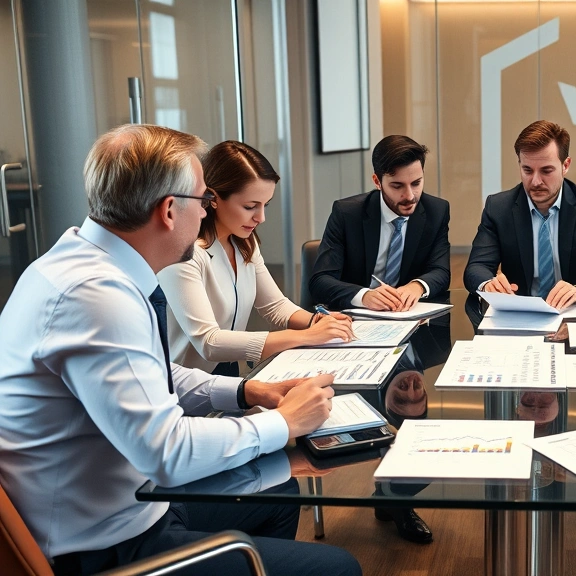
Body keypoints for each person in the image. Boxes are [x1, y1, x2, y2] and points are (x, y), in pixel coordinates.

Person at [0, 124, 360, 575]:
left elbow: (156, 373)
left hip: (135, 503)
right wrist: (282, 422)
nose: (209, 209)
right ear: (170, 210)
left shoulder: (87, 263)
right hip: (105, 546)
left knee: (280, 494)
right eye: (206, 198)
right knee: (338, 568)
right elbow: (167, 453)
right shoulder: (96, 298)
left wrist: (249, 393)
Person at [158, 141, 354, 376]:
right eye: (251, 206)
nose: (261, 218)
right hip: (181, 384)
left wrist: (317, 322)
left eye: (265, 205)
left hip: (225, 368)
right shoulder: (184, 254)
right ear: (213, 198)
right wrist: (304, 336)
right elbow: (208, 343)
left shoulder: (244, 242)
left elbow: (275, 306)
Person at [463, 120, 576, 307]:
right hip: (519, 313)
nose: (535, 181)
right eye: (527, 170)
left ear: (565, 165)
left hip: (574, 314)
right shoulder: (498, 208)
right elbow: (476, 267)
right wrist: (489, 285)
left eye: (546, 170)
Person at [310, 135, 450, 312]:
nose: (410, 196)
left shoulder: (436, 211)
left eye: (416, 183)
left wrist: (417, 286)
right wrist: (365, 296)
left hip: (407, 317)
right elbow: (320, 281)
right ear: (377, 181)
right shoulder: (347, 214)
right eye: (397, 186)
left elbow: (441, 271)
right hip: (355, 319)